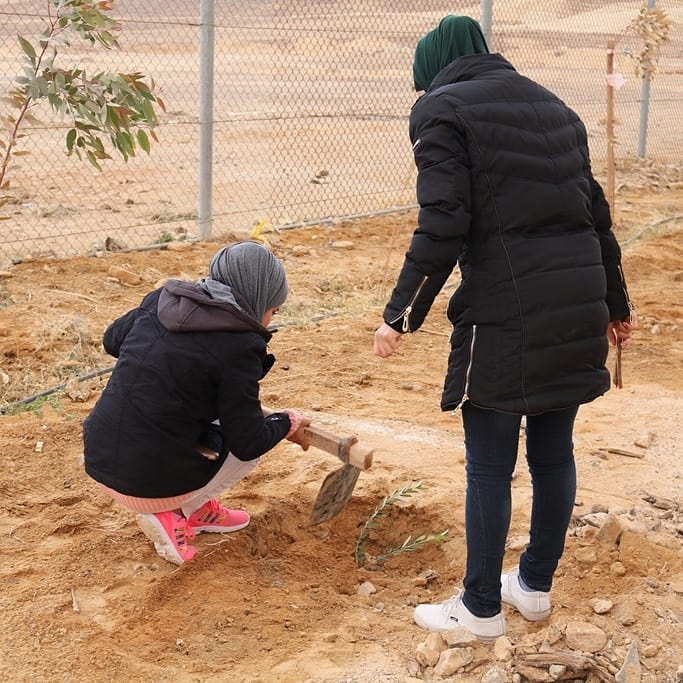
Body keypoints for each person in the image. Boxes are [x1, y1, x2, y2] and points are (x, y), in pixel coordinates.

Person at [373, 15, 638, 641]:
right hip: (577, 302)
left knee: (489, 464)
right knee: (553, 453)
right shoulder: (555, 108)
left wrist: (400, 315)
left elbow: (444, 220)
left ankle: (480, 609)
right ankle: (534, 587)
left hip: (507, 311)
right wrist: (615, 304)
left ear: (434, 71)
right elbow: (596, 218)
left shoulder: (441, 111)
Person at [83, 241, 311, 566]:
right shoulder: (241, 344)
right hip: (143, 483)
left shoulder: (163, 300)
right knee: (253, 444)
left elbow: (112, 340)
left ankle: (196, 510)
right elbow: (248, 441)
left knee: (217, 418)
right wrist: (287, 422)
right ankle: (173, 513)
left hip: (99, 455)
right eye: (273, 310)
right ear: (256, 297)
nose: (269, 319)